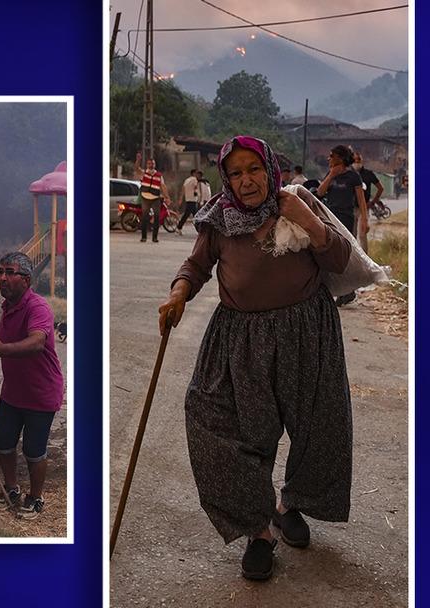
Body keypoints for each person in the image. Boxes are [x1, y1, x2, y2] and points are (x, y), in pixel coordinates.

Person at [158, 135, 353, 581]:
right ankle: (258, 529)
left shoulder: (299, 203)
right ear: (225, 179)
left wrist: (309, 221)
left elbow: (340, 259)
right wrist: (178, 293)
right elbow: (196, 266)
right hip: (240, 337)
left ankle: (291, 504)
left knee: (319, 424)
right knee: (219, 422)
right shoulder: (218, 219)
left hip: (307, 331)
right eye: (236, 173)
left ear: (270, 169)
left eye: (254, 169)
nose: (246, 180)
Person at [0, 252, 64, 520]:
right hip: (13, 393)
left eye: (9, 272)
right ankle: (11, 489)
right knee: (4, 444)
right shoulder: (7, 306)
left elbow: (36, 342)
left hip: (40, 394)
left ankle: (35, 498)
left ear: (26, 279)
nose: (2, 278)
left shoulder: (38, 307)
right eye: (0, 272)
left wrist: (2, 350)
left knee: (34, 451)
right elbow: (0, 334)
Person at [318, 144, 368, 306]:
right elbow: (320, 192)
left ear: (340, 158)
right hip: (330, 218)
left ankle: (348, 291)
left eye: (331, 156)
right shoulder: (330, 174)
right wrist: (331, 175)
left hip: (346, 219)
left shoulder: (353, 176)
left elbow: (361, 201)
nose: (329, 159)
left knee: (346, 253)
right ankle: (333, 289)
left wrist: (364, 220)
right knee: (330, 252)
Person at [135, 154, 170, 243]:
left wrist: (167, 197)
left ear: (155, 165)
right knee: (144, 217)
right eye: (149, 163)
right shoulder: (143, 173)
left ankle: (155, 237)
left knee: (157, 217)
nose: (151, 165)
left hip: (155, 198)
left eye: (153, 164)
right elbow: (136, 168)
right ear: (147, 165)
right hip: (145, 197)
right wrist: (138, 160)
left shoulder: (159, 175)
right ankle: (144, 237)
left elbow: (163, 186)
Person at [353, 152, 384, 218]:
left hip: (364, 208)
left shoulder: (368, 174)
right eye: (354, 160)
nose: (356, 162)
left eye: (358, 160)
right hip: (350, 209)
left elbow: (380, 188)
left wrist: (372, 202)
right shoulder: (349, 174)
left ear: (361, 161)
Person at [176, 170, 203, 235]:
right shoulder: (194, 180)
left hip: (188, 199)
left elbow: (183, 189)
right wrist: (199, 197)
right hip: (193, 200)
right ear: (194, 173)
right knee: (190, 215)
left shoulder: (187, 180)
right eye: (196, 173)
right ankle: (179, 227)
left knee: (193, 215)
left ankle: (199, 230)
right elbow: (196, 189)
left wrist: (181, 198)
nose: (197, 175)